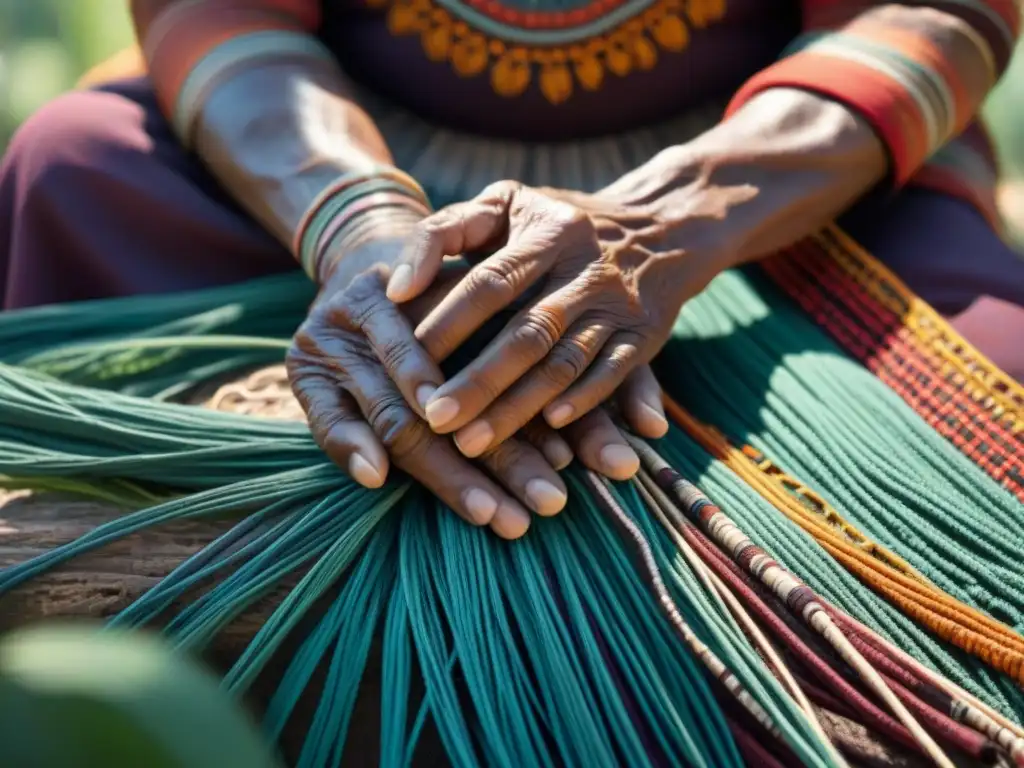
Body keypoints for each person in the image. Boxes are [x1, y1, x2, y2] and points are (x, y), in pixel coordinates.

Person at [1, 0, 1022, 540]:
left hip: (772, 178)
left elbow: (926, 12)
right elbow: (224, 12)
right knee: (76, 166)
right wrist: (369, 240)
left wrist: (660, 226)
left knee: (985, 408)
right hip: (328, 156)